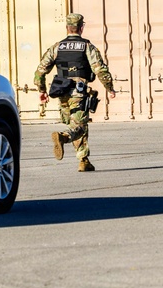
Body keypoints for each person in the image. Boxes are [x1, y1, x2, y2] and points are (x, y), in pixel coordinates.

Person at [34, 13, 117, 171]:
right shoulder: (87, 46)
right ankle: (64, 137)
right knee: (79, 125)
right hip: (78, 92)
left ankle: (83, 160)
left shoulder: (57, 47)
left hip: (61, 91)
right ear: (81, 28)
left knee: (76, 123)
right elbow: (99, 69)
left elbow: (40, 71)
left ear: (67, 28)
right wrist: (109, 87)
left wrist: (42, 90)